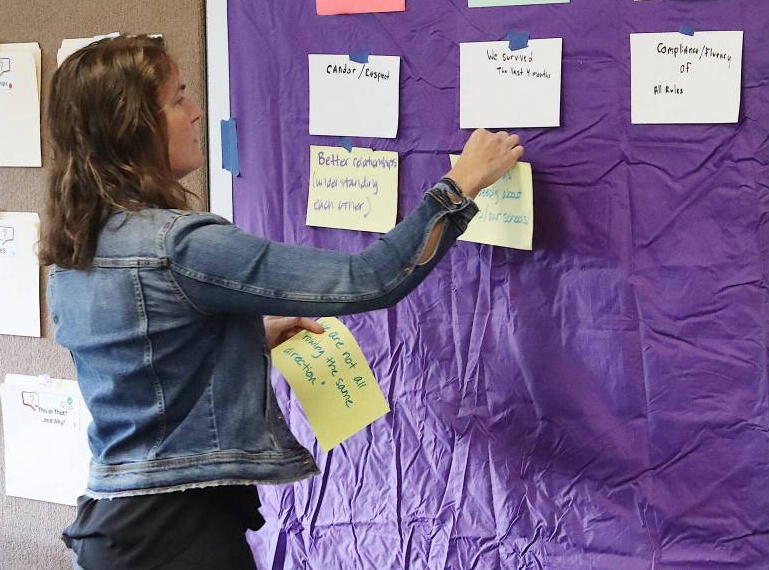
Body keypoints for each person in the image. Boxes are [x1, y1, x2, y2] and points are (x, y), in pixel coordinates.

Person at [41, 35, 523, 569]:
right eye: (177, 99)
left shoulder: (77, 246)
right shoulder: (181, 246)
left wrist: (247, 337)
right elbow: (369, 278)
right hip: (178, 537)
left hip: (117, 528)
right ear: (132, 126)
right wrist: (461, 183)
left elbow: (146, 361)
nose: (197, 112)